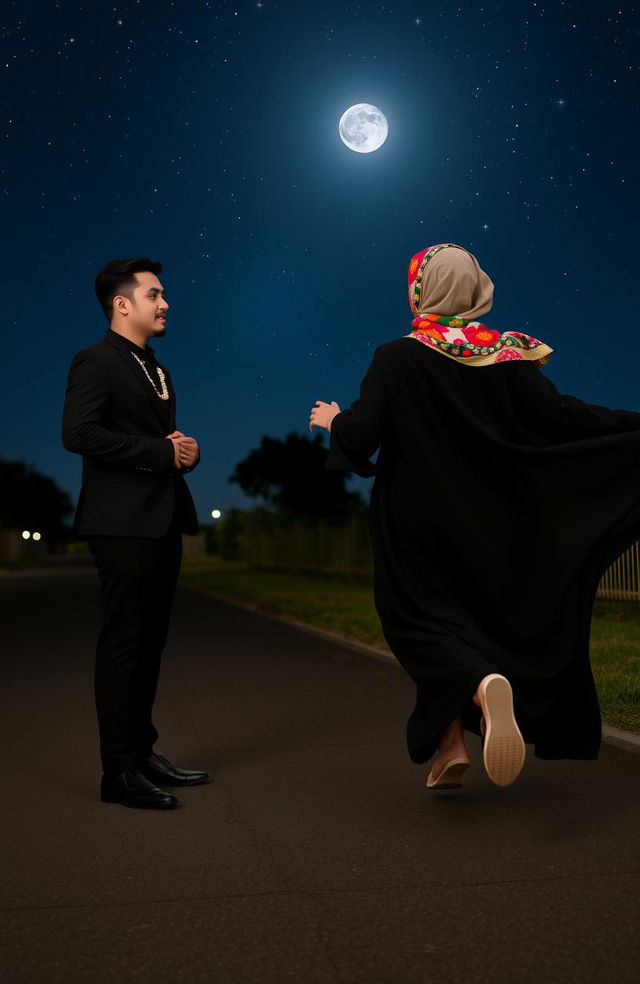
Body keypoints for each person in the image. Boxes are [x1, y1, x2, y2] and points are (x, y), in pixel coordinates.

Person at [310, 242, 640, 789]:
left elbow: (363, 436)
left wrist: (334, 419)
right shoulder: (506, 355)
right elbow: (564, 418)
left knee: (419, 623)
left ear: (422, 290)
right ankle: (449, 747)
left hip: (415, 524)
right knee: (467, 620)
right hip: (493, 525)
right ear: (476, 287)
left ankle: (482, 684)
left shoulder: (397, 355)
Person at [62, 257, 210, 809]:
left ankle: (143, 753)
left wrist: (183, 455)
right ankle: (117, 773)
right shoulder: (95, 360)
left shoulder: (158, 369)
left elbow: (158, 441)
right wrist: (158, 451)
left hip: (162, 519)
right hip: (119, 525)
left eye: (162, 294)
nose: (164, 302)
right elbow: (77, 433)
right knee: (124, 645)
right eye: (154, 294)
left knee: (150, 644)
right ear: (123, 304)